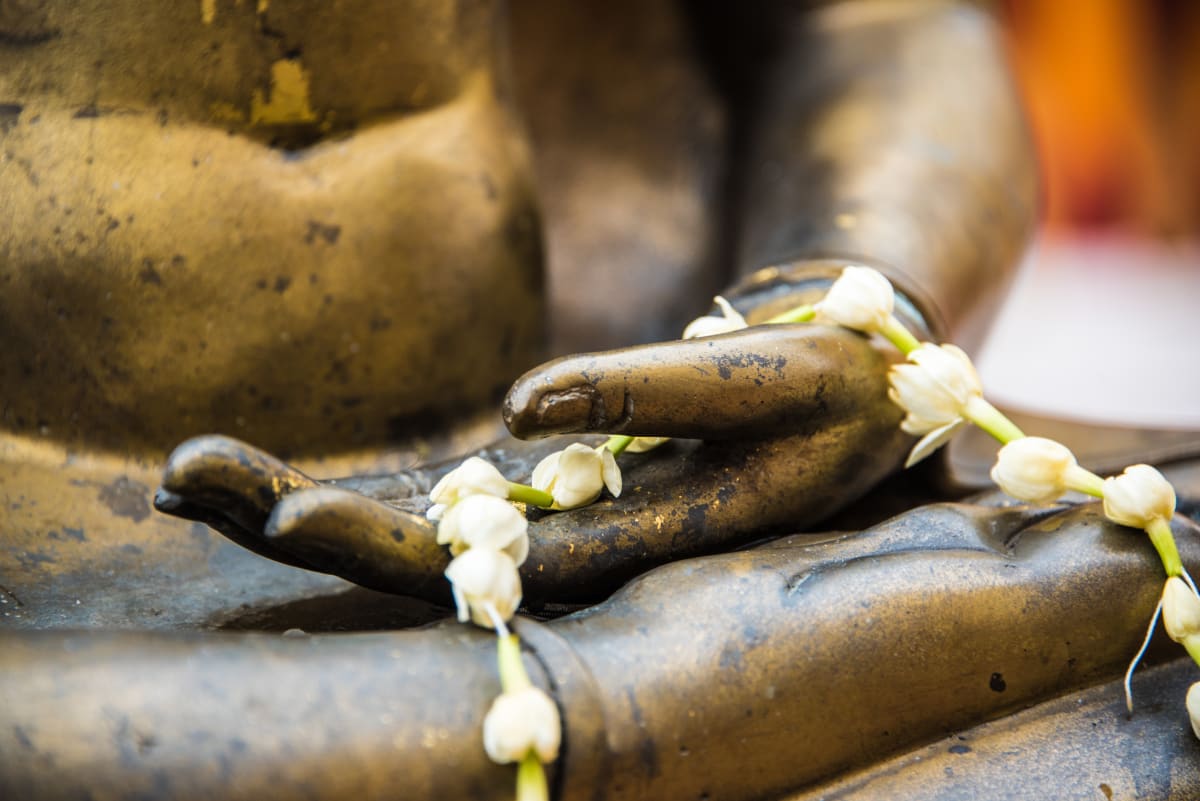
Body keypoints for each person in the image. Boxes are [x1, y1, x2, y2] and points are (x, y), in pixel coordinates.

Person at [8, 1, 1194, 799]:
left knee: (1151, 537)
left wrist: (845, 305)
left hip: (603, 424)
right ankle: (658, 691)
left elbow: (874, 22)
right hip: (54, 603)